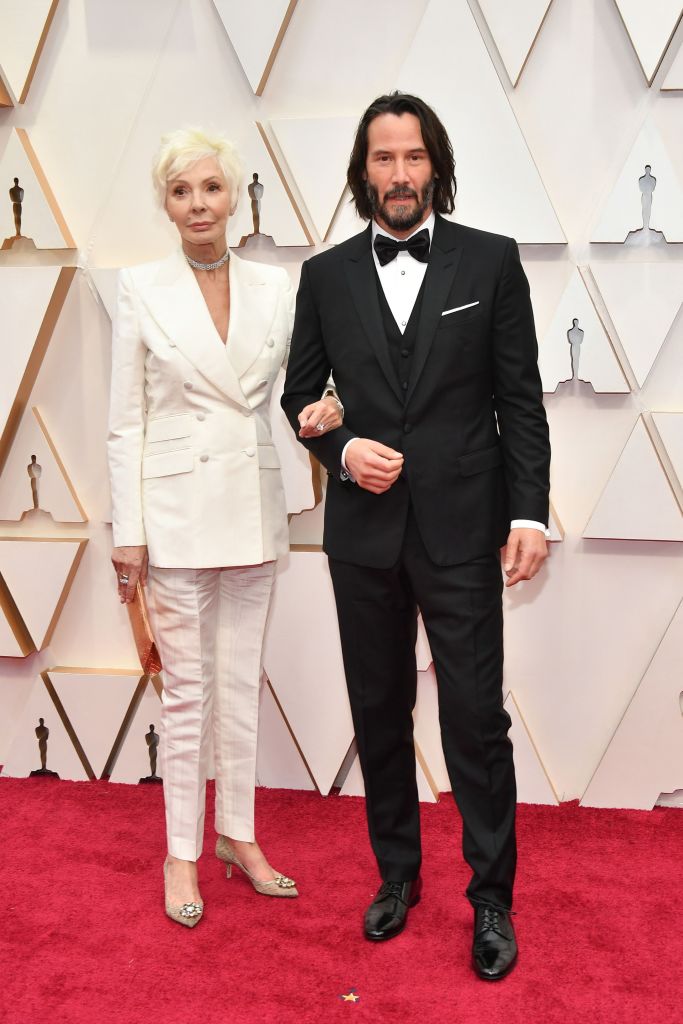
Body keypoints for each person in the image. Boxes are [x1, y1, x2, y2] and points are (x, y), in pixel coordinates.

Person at [282, 93, 550, 980]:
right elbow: (303, 399)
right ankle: (396, 877)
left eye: (412, 158)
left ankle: (490, 898)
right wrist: (341, 444)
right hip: (361, 537)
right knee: (379, 713)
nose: (398, 175)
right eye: (382, 159)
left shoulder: (490, 261)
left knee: (476, 721)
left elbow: (519, 400)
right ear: (362, 172)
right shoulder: (323, 276)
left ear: (434, 163)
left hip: (464, 529)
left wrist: (525, 514)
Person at [108, 127, 342, 928]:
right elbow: (124, 421)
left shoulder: (278, 288)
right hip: (173, 512)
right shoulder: (139, 288)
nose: (198, 204)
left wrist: (326, 408)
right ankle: (182, 850)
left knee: (240, 680)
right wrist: (128, 529)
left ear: (233, 197)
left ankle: (238, 836)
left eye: (210, 188)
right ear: (165, 205)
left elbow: (296, 386)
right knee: (187, 694)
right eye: (181, 192)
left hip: (251, 500)